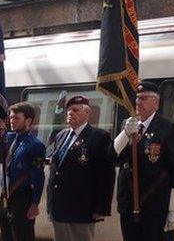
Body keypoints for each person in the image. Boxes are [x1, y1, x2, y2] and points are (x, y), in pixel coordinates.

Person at [111, 81, 174, 241]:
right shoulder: (128, 125)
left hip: (155, 205)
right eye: (137, 98)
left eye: (144, 98)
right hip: (129, 204)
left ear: (156, 103)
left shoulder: (168, 127)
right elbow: (114, 156)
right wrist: (125, 133)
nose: (138, 102)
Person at [47, 95, 115, 241]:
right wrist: (50, 204)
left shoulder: (99, 137)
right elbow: (56, 170)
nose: (71, 113)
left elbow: (105, 175)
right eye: (69, 110)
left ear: (87, 113)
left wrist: (101, 208)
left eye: (75, 110)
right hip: (58, 206)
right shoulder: (61, 135)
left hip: (82, 207)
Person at [0, 102, 45, 241]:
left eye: (16, 118)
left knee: (22, 235)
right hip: (5, 195)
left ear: (28, 121)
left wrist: (35, 203)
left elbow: (38, 176)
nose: (12, 121)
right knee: (6, 234)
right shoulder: (8, 138)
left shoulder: (36, 145)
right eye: (10, 118)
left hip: (22, 197)